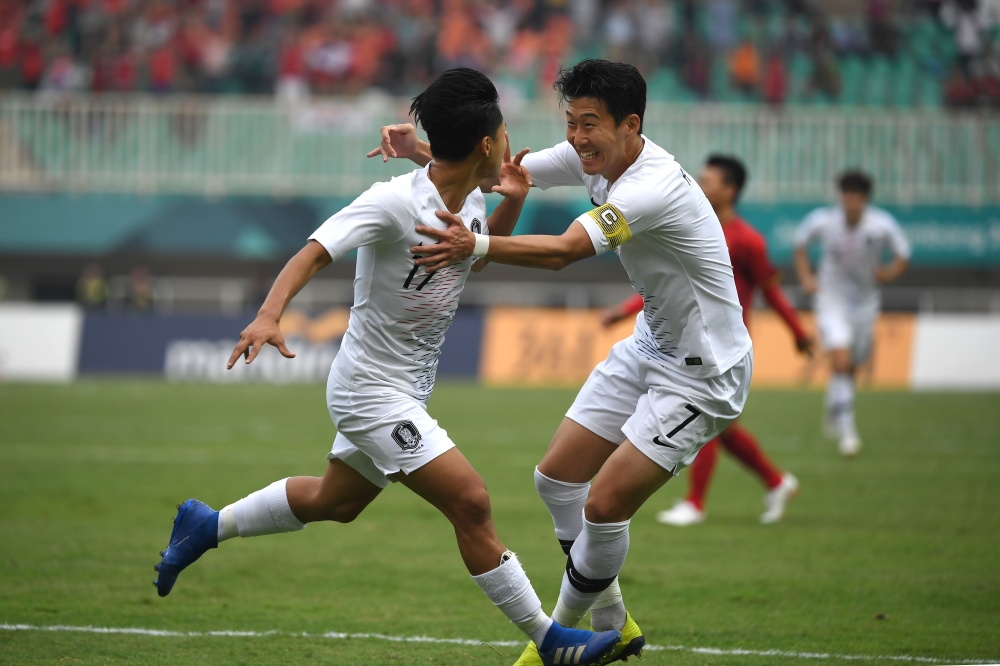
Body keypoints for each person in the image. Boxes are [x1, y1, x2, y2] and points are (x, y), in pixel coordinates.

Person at [153, 68, 621, 666]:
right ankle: (551, 642)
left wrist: (515, 202)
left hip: (404, 389)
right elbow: (313, 251)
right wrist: (269, 314)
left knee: (336, 501)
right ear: (487, 144)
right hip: (370, 390)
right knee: (471, 501)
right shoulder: (392, 203)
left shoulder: (471, 199)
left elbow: (473, 262)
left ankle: (206, 524)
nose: (510, 142)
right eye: (503, 132)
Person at [370, 59, 753, 666]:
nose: (577, 138)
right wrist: (420, 149)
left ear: (631, 125)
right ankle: (614, 625)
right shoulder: (590, 158)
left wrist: (479, 244)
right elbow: (498, 175)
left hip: (704, 374)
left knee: (603, 507)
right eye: (571, 122)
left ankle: (551, 643)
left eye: (591, 124)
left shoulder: (651, 186)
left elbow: (567, 251)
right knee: (556, 480)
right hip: (650, 344)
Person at [603, 155, 810, 527]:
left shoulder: (748, 240)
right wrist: (623, 310)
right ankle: (777, 482)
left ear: (730, 190)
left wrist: (798, 333)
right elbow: (671, 284)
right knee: (720, 428)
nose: (699, 184)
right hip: (685, 340)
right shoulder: (691, 225)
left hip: (721, 349)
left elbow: (772, 293)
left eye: (708, 181)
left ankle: (695, 503)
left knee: (697, 413)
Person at [793, 171, 909, 457]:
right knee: (841, 360)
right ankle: (848, 433)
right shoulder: (823, 220)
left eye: (857, 195)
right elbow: (800, 244)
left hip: (865, 305)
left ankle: (835, 404)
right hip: (831, 302)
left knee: (852, 364)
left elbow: (903, 254)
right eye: (846, 194)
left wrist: (889, 273)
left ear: (865, 198)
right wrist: (807, 278)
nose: (851, 200)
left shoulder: (881, 225)